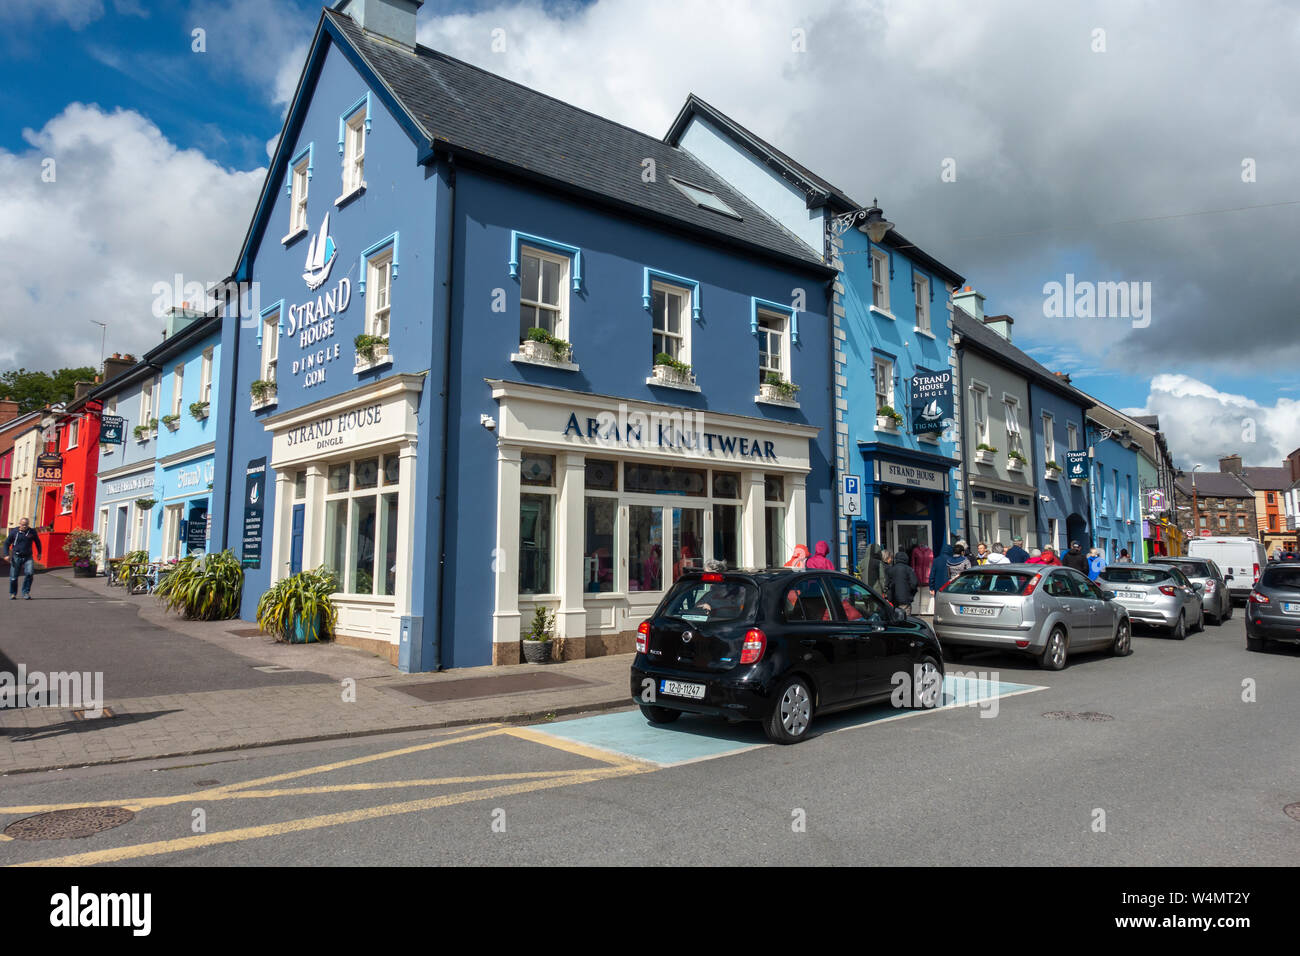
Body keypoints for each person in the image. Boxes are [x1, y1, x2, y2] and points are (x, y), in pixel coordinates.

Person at [4, 518, 42, 600]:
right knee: (13, 577)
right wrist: (6, 554)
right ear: (19, 524)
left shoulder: (32, 532)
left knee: (30, 573)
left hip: (28, 556)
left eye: (26, 525)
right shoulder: (14, 532)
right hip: (16, 556)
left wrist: (39, 553)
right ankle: (13, 593)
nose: (24, 526)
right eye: (22, 524)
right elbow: (6, 543)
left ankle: (25, 592)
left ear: (28, 524)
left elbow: (38, 542)